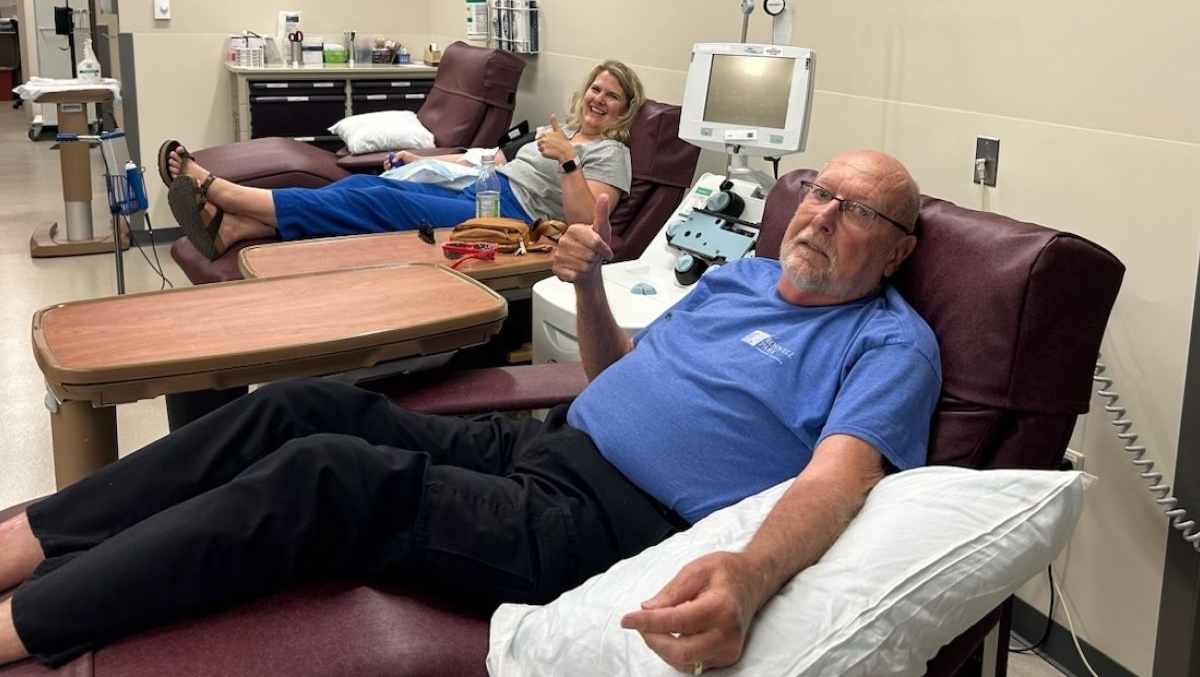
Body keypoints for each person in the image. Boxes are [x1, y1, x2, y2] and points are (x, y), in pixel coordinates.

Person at [0, 150, 940, 672]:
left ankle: (28, 626)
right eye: (819, 192)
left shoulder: (890, 344)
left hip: (607, 525)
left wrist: (747, 569)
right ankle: (31, 539)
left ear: (896, 252)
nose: (819, 215)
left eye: (858, 212)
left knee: (325, 476)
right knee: (294, 408)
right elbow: (616, 375)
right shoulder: (739, 277)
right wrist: (597, 292)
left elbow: (839, 479)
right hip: (540, 444)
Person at [162, 60, 645, 259]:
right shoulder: (552, 130)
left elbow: (589, 222)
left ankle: (229, 194)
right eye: (597, 89)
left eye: (613, 96)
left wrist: (567, 162)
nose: (599, 99)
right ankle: (237, 229)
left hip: (514, 217)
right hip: (485, 186)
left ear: (625, 110)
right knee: (363, 188)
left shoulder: (610, 153)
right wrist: (428, 158)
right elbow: (488, 161)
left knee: (384, 204)